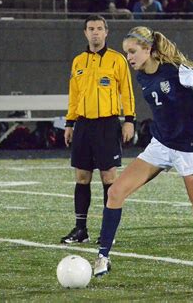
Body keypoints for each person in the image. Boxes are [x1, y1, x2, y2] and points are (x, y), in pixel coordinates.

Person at [92, 26, 193, 277]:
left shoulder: (176, 71)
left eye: (132, 52)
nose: (129, 58)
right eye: (126, 53)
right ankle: (103, 257)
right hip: (160, 145)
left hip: (186, 150)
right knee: (115, 192)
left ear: (149, 49)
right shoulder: (142, 74)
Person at [61, 15, 136, 245]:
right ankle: (81, 229)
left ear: (106, 32)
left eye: (99, 28)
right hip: (83, 124)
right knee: (82, 177)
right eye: (91, 29)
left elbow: (127, 91)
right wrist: (70, 123)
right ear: (85, 33)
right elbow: (74, 95)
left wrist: (129, 120)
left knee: (108, 177)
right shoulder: (78, 61)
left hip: (107, 124)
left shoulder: (117, 60)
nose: (95, 32)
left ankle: (107, 231)